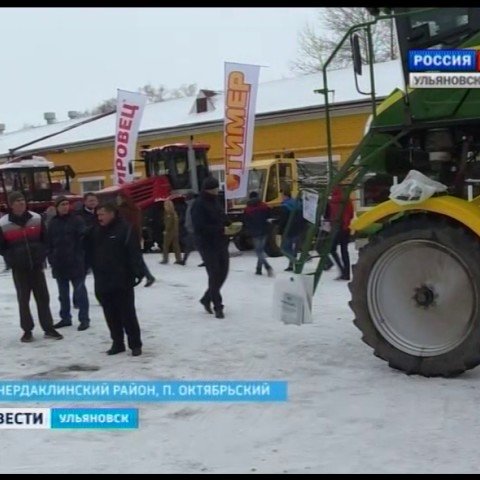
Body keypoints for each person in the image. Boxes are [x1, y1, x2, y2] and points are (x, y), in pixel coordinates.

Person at [0, 191, 63, 342]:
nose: (21, 203)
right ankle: (27, 330)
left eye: (22, 200)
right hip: (19, 268)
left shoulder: (36, 218)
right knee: (23, 300)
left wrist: (42, 255)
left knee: (43, 298)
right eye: (17, 201)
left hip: (36, 266)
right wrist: (11, 259)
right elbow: (2, 247)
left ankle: (48, 328)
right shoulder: (3, 223)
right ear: (11, 204)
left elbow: (45, 240)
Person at [85, 202, 144, 356]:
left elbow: (134, 252)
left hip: (122, 279)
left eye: (102, 214)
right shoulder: (95, 231)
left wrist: (137, 271)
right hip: (102, 279)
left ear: (112, 213)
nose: (99, 217)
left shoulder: (125, 229)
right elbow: (88, 251)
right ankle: (117, 342)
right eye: (98, 215)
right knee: (110, 314)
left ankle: (135, 344)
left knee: (127, 313)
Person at [47, 196, 90, 331]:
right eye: (62, 204)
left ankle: (84, 319)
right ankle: (65, 318)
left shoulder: (76, 220)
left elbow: (84, 239)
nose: (65, 207)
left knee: (80, 293)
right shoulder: (52, 223)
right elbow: (48, 243)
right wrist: (51, 258)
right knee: (63, 294)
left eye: (67, 204)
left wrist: (82, 256)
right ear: (57, 207)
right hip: (59, 263)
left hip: (76, 262)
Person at [191, 176, 230, 319]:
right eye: (214, 188)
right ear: (208, 189)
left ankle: (207, 298)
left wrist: (229, 223)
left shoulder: (216, 201)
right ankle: (218, 306)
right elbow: (199, 227)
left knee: (223, 273)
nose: (216, 190)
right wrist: (220, 229)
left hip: (220, 242)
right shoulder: (199, 204)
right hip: (206, 244)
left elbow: (222, 216)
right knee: (214, 274)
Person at [116, 192, 156, 287]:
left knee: (135, 259)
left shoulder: (123, 210)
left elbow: (123, 225)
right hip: (135, 236)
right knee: (136, 258)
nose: (117, 201)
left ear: (124, 199)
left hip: (128, 237)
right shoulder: (135, 209)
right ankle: (144, 276)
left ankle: (147, 276)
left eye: (118, 199)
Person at [243, 191, 274, 276]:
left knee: (258, 251)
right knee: (260, 250)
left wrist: (248, 229)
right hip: (264, 231)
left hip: (255, 232)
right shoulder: (264, 206)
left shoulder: (247, 209)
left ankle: (267, 267)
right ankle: (258, 269)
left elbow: (246, 221)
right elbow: (269, 217)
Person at [327, 185, 354, 281]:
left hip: (336, 228)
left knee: (331, 249)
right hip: (345, 228)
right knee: (344, 250)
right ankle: (346, 273)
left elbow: (329, 215)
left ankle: (342, 270)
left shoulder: (331, 201)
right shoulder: (347, 199)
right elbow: (351, 213)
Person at [278, 190, 306, 271]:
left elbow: (283, 220)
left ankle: (295, 262)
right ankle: (291, 265)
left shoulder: (285, 206)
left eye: (282, 195)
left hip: (288, 230)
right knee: (294, 249)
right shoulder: (297, 203)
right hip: (299, 229)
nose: (281, 197)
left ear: (285, 196)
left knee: (284, 249)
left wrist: (279, 231)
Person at [161, 199, 182, 265]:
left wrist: (166, 231)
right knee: (176, 246)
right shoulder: (174, 213)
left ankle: (165, 259)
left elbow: (169, 223)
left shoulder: (168, 213)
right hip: (175, 232)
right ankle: (179, 259)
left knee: (165, 246)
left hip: (170, 232)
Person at [180, 191, 197, 265]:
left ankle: (184, 261)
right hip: (191, 229)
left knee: (189, 245)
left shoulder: (193, 206)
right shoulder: (190, 205)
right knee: (192, 245)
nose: (185, 199)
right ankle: (184, 260)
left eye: (186, 197)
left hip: (192, 229)